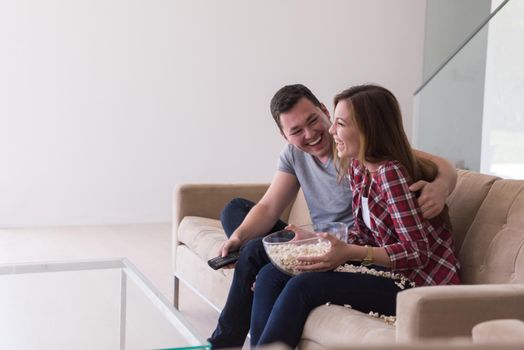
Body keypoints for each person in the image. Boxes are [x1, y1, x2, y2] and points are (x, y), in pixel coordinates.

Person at [208, 84, 458, 349]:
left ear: (366, 127)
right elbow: (362, 233)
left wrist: (442, 184)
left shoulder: (389, 172)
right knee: (270, 274)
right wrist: (315, 241)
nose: (329, 131)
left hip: (415, 284)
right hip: (378, 263)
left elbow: (417, 252)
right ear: (285, 136)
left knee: (299, 285)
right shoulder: (359, 169)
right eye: (296, 130)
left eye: (338, 123)